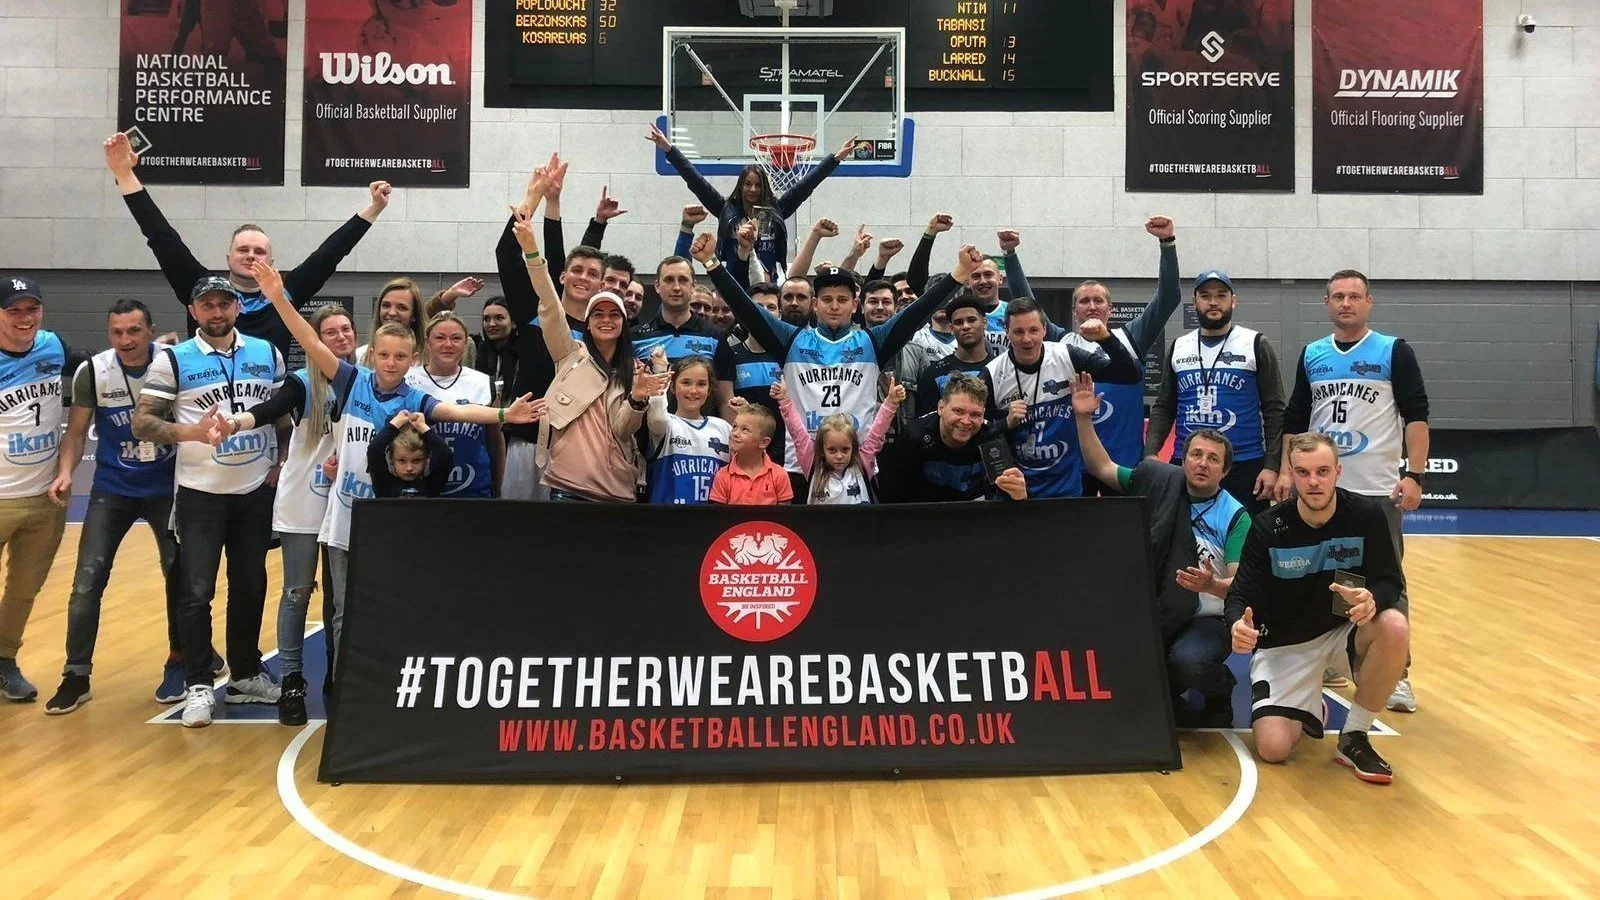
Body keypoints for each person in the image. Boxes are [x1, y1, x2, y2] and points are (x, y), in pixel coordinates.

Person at [216, 263, 542, 709]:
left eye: (400, 357)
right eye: (384, 355)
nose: (391, 363)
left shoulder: (415, 398)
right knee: (343, 610)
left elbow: (461, 413)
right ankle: (349, 688)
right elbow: (309, 340)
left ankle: (384, 681)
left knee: (387, 606)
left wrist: (506, 416)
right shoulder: (352, 381)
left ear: (413, 360)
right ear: (376, 355)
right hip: (346, 517)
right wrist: (277, 296)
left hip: (390, 524)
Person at [131, 276, 286, 727]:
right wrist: (192, 433)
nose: (216, 312)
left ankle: (243, 674)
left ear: (237, 308)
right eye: (207, 306)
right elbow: (143, 422)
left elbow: (281, 417)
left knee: (251, 586)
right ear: (193, 311)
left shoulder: (267, 353)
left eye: (224, 304)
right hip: (200, 494)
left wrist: (283, 463)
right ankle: (199, 684)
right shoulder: (173, 361)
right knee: (195, 592)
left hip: (255, 489)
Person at [45, 300, 206, 714]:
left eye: (134, 331)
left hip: (166, 487)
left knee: (178, 574)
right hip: (113, 488)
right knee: (86, 581)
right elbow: (77, 433)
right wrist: (66, 472)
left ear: (150, 331)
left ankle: (180, 659)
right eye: (117, 332)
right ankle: (76, 673)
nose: (125, 340)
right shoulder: (94, 372)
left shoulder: (172, 363)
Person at [1280, 269, 1429, 713]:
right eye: (1338, 296)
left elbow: (1417, 415)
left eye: (1355, 296)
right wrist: (1288, 470)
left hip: (1377, 490)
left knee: (1387, 580)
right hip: (1321, 489)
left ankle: (1397, 673)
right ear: (1326, 303)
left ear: (1369, 303)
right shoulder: (1313, 354)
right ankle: (1333, 656)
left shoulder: (1392, 351)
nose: (1347, 303)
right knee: (1327, 576)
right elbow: (1295, 419)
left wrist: (1415, 474)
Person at [1227, 433, 1411, 784]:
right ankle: (1307, 703)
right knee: (1273, 749)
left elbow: (1391, 582)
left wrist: (1374, 597)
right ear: (1292, 476)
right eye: (1304, 472)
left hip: (1343, 631)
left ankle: (1354, 737)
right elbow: (1239, 595)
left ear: (1338, 472)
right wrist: (1237, 624)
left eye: (1322, 471)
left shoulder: (1367, 516)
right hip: (1286, 644)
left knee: (1394, 626)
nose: (1314, 482)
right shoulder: (1268, 527)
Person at [105, 132, 388, 357]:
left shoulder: (285, 292)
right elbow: (160, 237)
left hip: (268, 409)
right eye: (243, 250)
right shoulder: (200, 287)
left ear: (272, 263)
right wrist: (124, 174)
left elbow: (332, 252)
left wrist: (374, 209)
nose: (251, 255)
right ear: (228, 258)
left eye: (259, 251)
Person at [204, 304, 355, 726]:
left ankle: (343, 681)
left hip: (347, 499)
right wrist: (234, 423)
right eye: (330, 332)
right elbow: (269, 410)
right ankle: (292, 681)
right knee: (298, 593)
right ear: (316, 341)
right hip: (304, 498)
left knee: (344, 600)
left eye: (346, 330)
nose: (340, 337)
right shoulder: (302, 382)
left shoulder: (366, 381)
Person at [1074, 373, 1246, 728]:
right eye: (1195, 454)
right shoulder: (1160, 481)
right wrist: (1082, 417)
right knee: (1118, 667)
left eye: (1213, 459)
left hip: (1207, 618)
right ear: (1182, 459)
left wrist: (1210, 586)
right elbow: (1101, 467)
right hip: (1157, 608)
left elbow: (1238, 585)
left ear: (1225, 470)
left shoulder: (1236, 516)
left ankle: (1219, 687)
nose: (1202, 463)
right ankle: (1167, 692)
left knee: (1186, 664)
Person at [695, 232, 964, 452]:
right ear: (814, 305)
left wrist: (958, 275)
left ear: (855, 305)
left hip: (857, 460)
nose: (834, 306)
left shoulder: (871, 341)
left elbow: (915, 313)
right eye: (826, 299)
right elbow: (748, 310)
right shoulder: (792, 339)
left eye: (842, 300)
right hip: (801, 461)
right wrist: (712, 264)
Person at [511, 185, 667, 503]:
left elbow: (624, 431)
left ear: (624, 323)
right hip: (567, 487)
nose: (606, 319)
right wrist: (531, 251)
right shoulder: (569, 354)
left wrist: (638, 398)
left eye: (614, 314)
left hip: (616, 491)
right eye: (598, 313)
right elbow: (550, 303)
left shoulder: (632, 371)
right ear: (588, 320)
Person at [493, 156, 609, 500]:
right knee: (520, 543)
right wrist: (537, 197)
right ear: (561, 277)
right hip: (529, 442)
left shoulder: (601, 330)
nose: (582, 278)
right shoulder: (534, 311)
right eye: (576, 271)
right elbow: (507, 253)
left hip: (579, 449)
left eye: (592, 275)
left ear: (602, 284)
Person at [1145, 269, 1285, 514]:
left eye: (1221, 295)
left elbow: (1275, 409)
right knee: (1184, 538)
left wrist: (1272, 465)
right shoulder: (1180, 346)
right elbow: (1164, 407)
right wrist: (1151, 453)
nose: (1213, 302)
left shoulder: (1255, 343)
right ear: (1195, 302)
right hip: (1187, 463)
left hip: (1244, 464)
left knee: (1245, 542)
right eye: (1205, 295)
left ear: (1233, 301)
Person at [983, 298, 1143, 499]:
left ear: (1044, 329)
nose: (1027, 339)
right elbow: (981, 435)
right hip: (1017, 493)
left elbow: (1130, 374)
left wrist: (1106, 338)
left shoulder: (1064, 355)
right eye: (1018, 332)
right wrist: (1005, 424)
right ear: (1007, 331)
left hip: (1067, 490)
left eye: (1033, 330)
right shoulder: (993, 373)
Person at [648, 124, 853, 276]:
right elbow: (695, 180)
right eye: (748, 184)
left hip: (767, 283)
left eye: (758, 184)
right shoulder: (725, 209)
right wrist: (669, 150)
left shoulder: (776, 210)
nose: (753, 189)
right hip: (734, 280)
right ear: (740, 186)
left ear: (764, 187)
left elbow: (806, 184)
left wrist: (835, 159)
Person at [0, 277, 70, 703]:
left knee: (24, 590)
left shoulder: (52, 346)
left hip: (45, 499)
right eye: (14, 310)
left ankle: (5, 659)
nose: (25, 318)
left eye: (32, 309)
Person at [877, 375, 1028, 503]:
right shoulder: (914, 436)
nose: (966, 421)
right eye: (958, 411)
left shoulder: (990, 437)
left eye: (975, 414)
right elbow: (894, 496)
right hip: (923, 516)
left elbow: (1007, 496)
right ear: (941, 408)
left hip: (973, 517)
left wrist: (1018, 495)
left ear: (983, 414)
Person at [406, 312, 503, 497]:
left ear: (466, 343)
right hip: (419, 493)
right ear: (428, 342)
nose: (448, 344)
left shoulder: (483, 383)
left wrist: (497, 488)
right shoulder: (408, 381)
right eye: (440, 338)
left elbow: (495, 443)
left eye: (456, 338)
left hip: (474, 490)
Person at [630, 257, 735, 415]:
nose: (677, 287)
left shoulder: (715, 336)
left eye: (683, 280)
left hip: (700, 436)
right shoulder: (635, 337)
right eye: (669, 280)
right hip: (647, 436)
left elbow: (725, 401)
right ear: (657, 285)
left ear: (693, 286)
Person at [775, 378, 901, 505]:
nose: (839, 456)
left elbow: (877, 434)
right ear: (822, 449)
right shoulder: (812, 465)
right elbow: (797, 434)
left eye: (845, 449)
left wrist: (891, 403)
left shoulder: (863, 464)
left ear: (853, 447)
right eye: (832, 450)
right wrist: (784, 400)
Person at [645, 352, 729, 505]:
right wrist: (660, 372)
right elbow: (656, 415)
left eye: (701, 384)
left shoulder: (722, 427)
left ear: (710, 390)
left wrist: (745, 414)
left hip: (714, 521)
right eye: (686, 382)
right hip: (670, 520)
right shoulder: (667, 423)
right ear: (672, 387)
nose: (693, 390)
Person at [916, 294, 995, 413]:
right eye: (959, 322)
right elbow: (925, 423)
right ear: (952, 328)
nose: (966, 326)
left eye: (971, 320)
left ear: (984, 323)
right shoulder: (934, 373)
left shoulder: (1000, 368)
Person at [709, 404, 793, 506]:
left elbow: (785, 516)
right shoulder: (723, 476)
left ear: (764, 442)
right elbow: (717, 517)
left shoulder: (779, 475)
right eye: (735, 426)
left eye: (745, 430)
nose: (735, 433)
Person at [367, 412, 454, 499]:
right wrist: (395, 424)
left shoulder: (433, 485)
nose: (409, 468)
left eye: (416, 460)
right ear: (391, 458)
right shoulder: (384, 484)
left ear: (427, 457)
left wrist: (422, 427)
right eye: (402, 460)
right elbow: (374, 451)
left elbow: (445, 455)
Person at [357, 277, 425, 365]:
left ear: (414, 315)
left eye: (401, 308)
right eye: (386, 305)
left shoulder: (428, 362)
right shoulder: (360, 357)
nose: (392, 313)